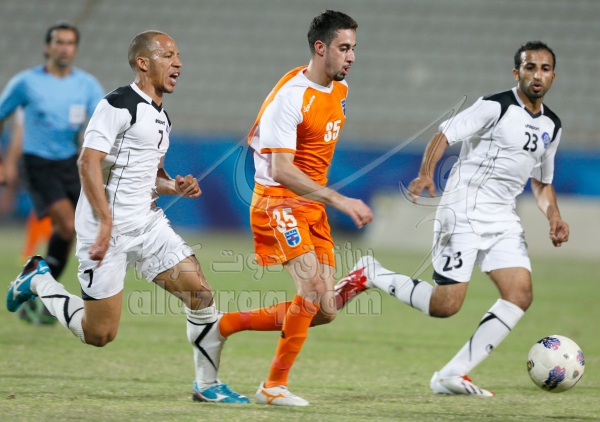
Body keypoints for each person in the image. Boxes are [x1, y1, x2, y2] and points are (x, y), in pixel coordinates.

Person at [7, 30, 248, 404]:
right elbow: (87, 162)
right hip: (106, 230)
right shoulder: (118, 104)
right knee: (99, 334)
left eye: (178, 55)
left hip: (147, 225)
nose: (178, 62)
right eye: (168, 55)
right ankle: (39, 280)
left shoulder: (162, 117)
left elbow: (154, 176)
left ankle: (207, 384)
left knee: (200, 294)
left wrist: (176, 186)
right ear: (143, 62)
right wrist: (105, 222)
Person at [335, 40, 569, 396]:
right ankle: (371, 273)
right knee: (445, 306)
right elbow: (444, 133)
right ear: (516, 73)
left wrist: (554, 216)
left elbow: (541, 182)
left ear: (553, 75)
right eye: (530, 67)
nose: (537, 75)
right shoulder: (495, 106)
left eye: (545, 68)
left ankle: (451, 375)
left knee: (519, 294)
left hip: (503, 218)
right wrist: (426, 173)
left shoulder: (552, 124)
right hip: (463, 210)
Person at [215, 10, 372, 406]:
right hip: (278, 200)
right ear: (320, 48)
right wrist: (339, 199)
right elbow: (282, 170)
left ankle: (224, 325)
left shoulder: (340, 90)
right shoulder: (290, 98)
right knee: (314, 290)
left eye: (354, 48)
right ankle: (273, 386)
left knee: (325, 308)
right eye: (344, 48)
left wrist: (323, 198)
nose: (352, 57)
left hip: (310, 203)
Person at [0, 22, 105, 322]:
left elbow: (102, 121)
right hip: (38, 163)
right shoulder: (26, 82)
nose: (64, 48)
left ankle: (37, 294)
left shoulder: (86, 85)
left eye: (70, 43)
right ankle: (40, 291)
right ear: (48, 47)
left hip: (71, 162)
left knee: (73, 230)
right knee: (67, 224)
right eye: (59, 42)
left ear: (75, 48)